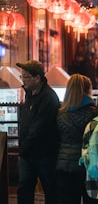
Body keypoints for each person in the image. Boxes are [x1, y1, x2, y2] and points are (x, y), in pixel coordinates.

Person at [16, 60, 60, 204]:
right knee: (24, 189)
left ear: (37, 78)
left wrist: (23, 148)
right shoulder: (29, 94)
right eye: (22, 76)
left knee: (50, 190)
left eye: (27, 77)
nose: (23, 80)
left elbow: (38, 127)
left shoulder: (48, 97)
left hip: (44, 154)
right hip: (28, 154)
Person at [56, 74, 96, 203]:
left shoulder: (60, 113)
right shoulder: (93, 113)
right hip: (86, 166)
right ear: (87, 90)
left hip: (63, 166)